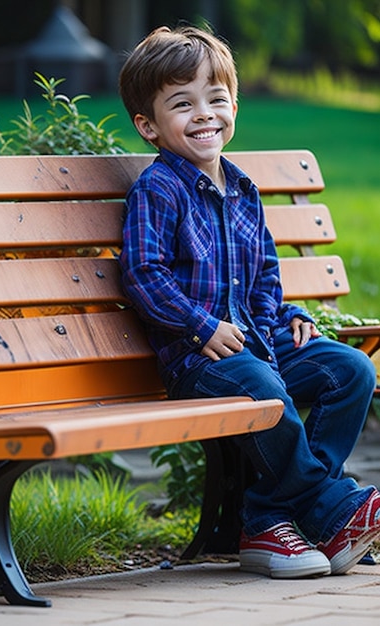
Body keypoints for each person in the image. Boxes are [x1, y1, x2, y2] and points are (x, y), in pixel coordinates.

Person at [118, 24, 379, 579]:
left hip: (258, 344)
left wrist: (291, 317)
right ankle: (330, 511)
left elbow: (263, 276)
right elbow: (143, 275)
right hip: (201, 362)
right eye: (183, 104)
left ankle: (270, 518)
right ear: (149, 126)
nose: (205, 114)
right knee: (259, 385)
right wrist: (200, 328)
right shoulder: (158, 189)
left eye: (216, 98)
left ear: (234, 104)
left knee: (350, 369)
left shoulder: (243, 189)